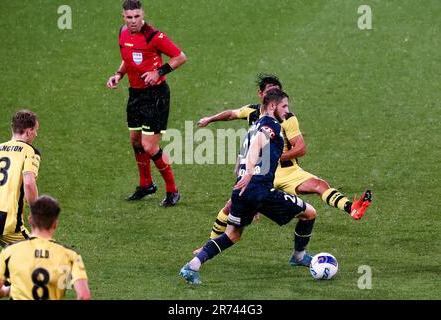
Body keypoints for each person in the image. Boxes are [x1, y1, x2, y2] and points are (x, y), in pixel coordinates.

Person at [197, 75, 371, 246]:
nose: (275, 97)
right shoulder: (252, 112)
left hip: (287, 171)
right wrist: (210, 119)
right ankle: (210, 244)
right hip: (261, 173)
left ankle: (352, 208)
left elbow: (300, 148)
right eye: (270, 92)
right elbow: (231, 114)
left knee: (319, 185)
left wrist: (272, 157)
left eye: (277, 92)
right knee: (230, 208)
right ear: (261, 94)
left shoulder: (287, 118)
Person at [180, 89, 317, 285]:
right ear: (272, 106)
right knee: (309, 213)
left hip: (242, 190)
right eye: (284, 106)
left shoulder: (254, 127)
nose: (287, 111)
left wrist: (248, 196)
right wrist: (253, 174)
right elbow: (257, 146)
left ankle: (193, 265)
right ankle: (299, 255)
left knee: (232, 235)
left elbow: (239, 166)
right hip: (260, 189)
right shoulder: (272, 125)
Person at [106, 0, 187, 206]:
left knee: (149, 146)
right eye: (129, 17)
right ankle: (146, 184)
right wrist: (118, 74)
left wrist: (158, 72)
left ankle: (173, 190)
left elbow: (180, 57)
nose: (133, 21)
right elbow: (128, 57)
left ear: (143, 15)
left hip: (156, 95)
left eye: (137, 16)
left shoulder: (154, 36)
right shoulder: (123, 33)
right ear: (123, 17)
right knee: (135, 140)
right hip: (135, 94)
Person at [0, 195, 91, 300]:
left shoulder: (10, 251)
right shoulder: (70, 256)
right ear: (55, 224)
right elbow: (84, 296)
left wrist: (7, 291)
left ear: (30, 220)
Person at [0, 109, 40, 247]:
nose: (36, 134)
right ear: (28, 131)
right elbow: (29, 183)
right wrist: (37, 212)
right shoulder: (29, 151)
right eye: (36, 130)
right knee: (36, 256)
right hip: (6, 222)